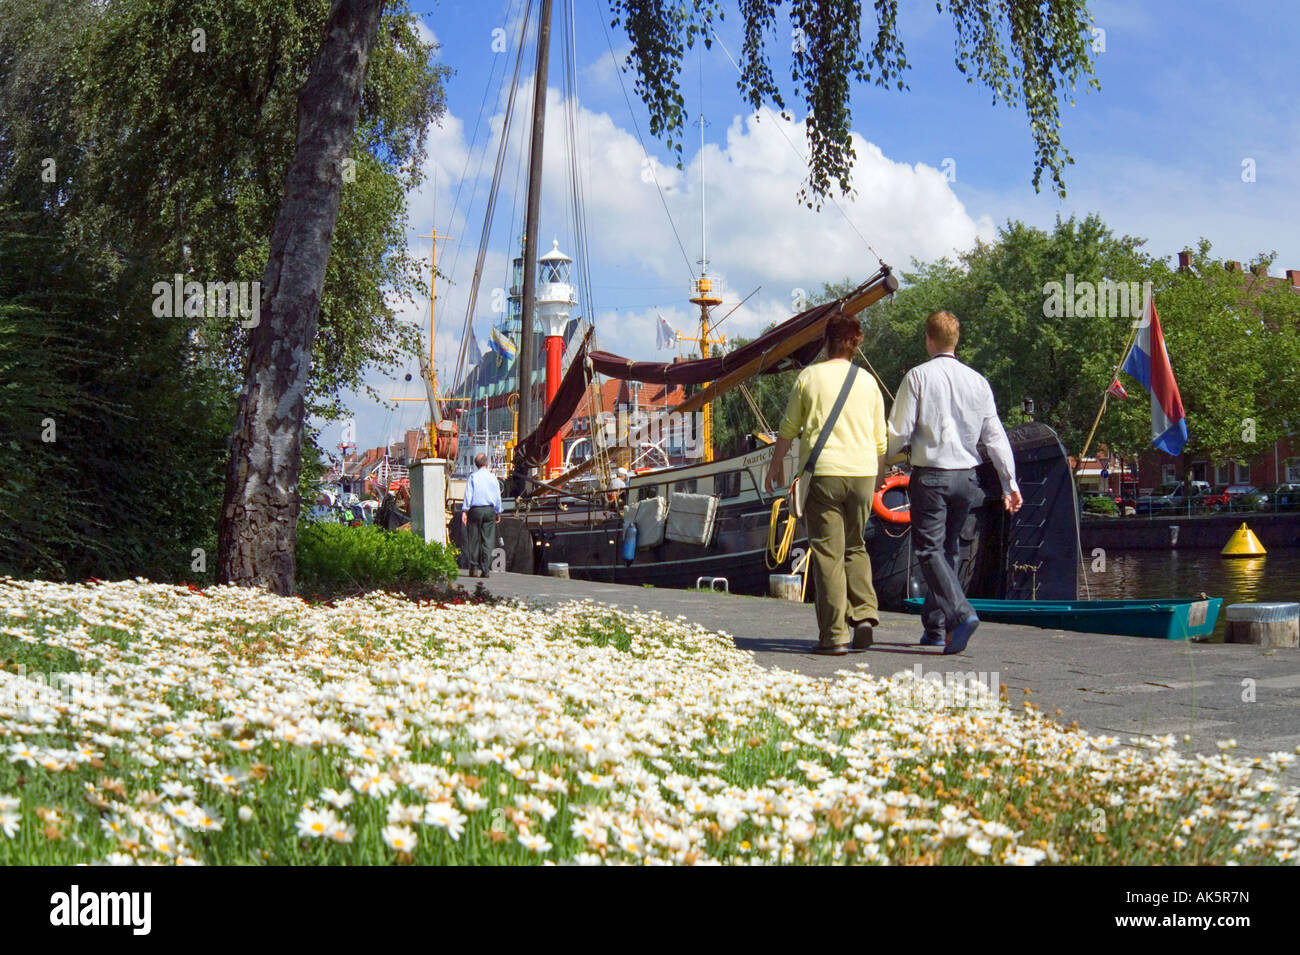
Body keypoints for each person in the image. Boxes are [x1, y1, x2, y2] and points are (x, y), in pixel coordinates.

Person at [887, 310, 1023, 655]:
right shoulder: (979, 382)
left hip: (931, 475)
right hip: (967, 477)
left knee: (928, 550)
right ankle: (935, 629)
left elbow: (899, 431)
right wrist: (1010, 484)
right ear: (956, 341)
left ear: (928, 340)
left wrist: (883, 464)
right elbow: (995, 437)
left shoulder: (917, 377)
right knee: (949, 551)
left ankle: (961, 614)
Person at [764, 313, 888, 655]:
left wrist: (775, 468)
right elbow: (881, 442)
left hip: (824, 474)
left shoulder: (809, 377)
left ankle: (834, 636)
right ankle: (864, 615)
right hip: (863, 473)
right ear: (856, 343)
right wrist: (878, 479)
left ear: (826, 341)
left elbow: (788, 429)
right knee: (856, 545)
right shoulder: (868, 382)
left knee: (828, 555)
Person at [461, 453, 502, 578]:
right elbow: (497, 496)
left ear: (476, 464)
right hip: (489, 510)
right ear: (486, 463)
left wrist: (465, 511)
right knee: (488, 541)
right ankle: (486, 570)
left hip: (475, 509)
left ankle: (473, 568)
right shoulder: (493, 477)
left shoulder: (473, 477)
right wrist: (498, 511)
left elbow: (468, 495)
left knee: (474, 539)